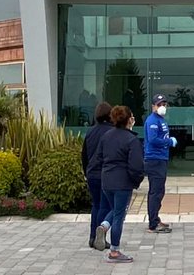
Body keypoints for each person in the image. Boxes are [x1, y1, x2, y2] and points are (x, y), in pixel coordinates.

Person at [88, 106, 144, 263]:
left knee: (115, 210)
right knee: (120, 215)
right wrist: (136, 181)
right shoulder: (132, 140)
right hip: (122, 183)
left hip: (106, 181)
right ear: (128, 120)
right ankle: (114, 252)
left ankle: (104, 226)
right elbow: (136, 166)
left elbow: (98, 158)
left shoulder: (106, 136)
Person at [81, 101, 113, 250]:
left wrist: (86, 171)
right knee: (105, 206)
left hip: (91, 172)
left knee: (96, 205)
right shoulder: (112, 131)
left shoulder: (91, 131)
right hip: (105, 173)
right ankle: (100, 237)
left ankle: (92, 237)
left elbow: (84, 154)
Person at [144, 93, 177, 233]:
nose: (163, 107)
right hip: (154, 159)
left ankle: (155, 218)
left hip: (161, 159)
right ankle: (152, 224)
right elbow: (152, 140)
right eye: (159, 105)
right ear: (153, 107)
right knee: (155, 192)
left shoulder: (161, 119)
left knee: (159, 191)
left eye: (164, 104)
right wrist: (169, 142)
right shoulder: (152, 121)